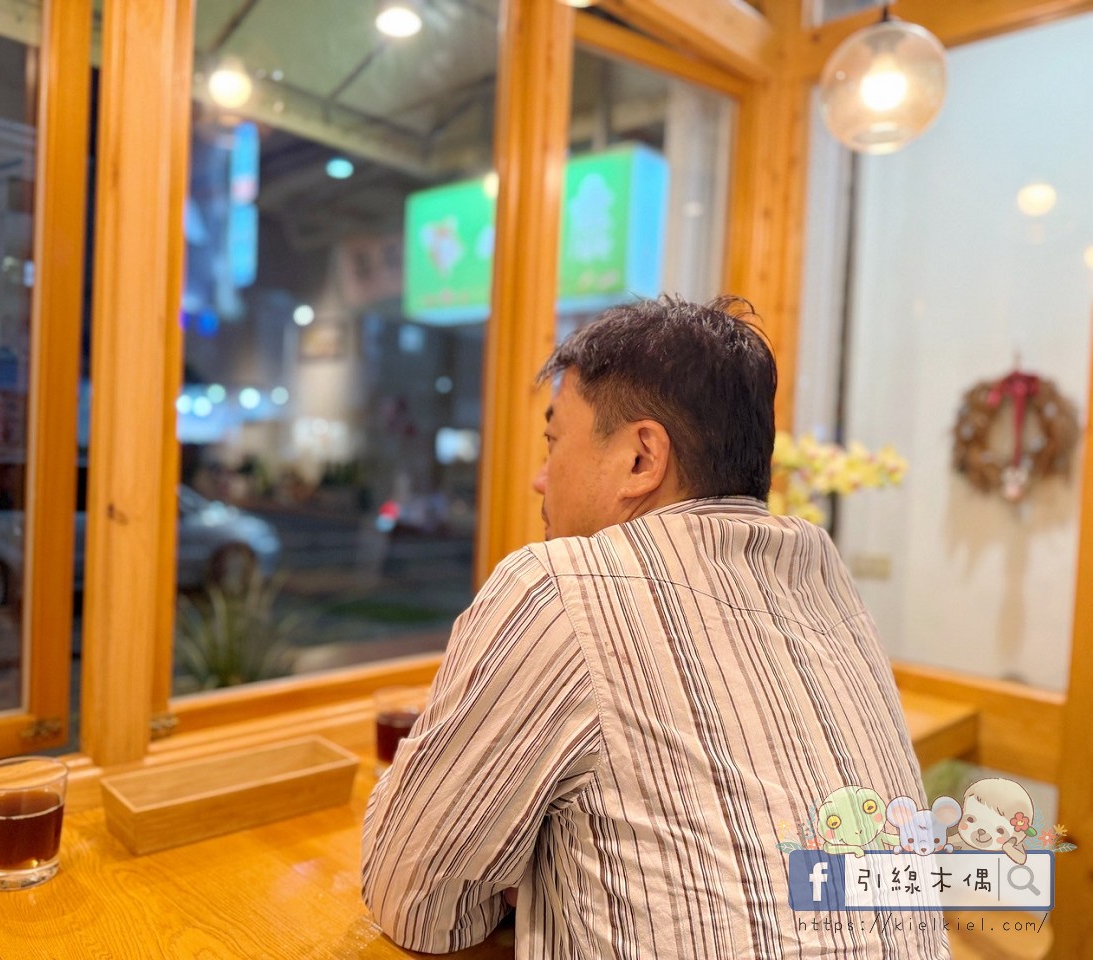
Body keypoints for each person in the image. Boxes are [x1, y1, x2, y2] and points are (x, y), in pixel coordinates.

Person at [361, 295, 946, 958]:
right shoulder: (821, 574)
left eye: (554, 442)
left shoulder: (562, 586)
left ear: (642, 458)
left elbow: (414, 899)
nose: (539, 479)